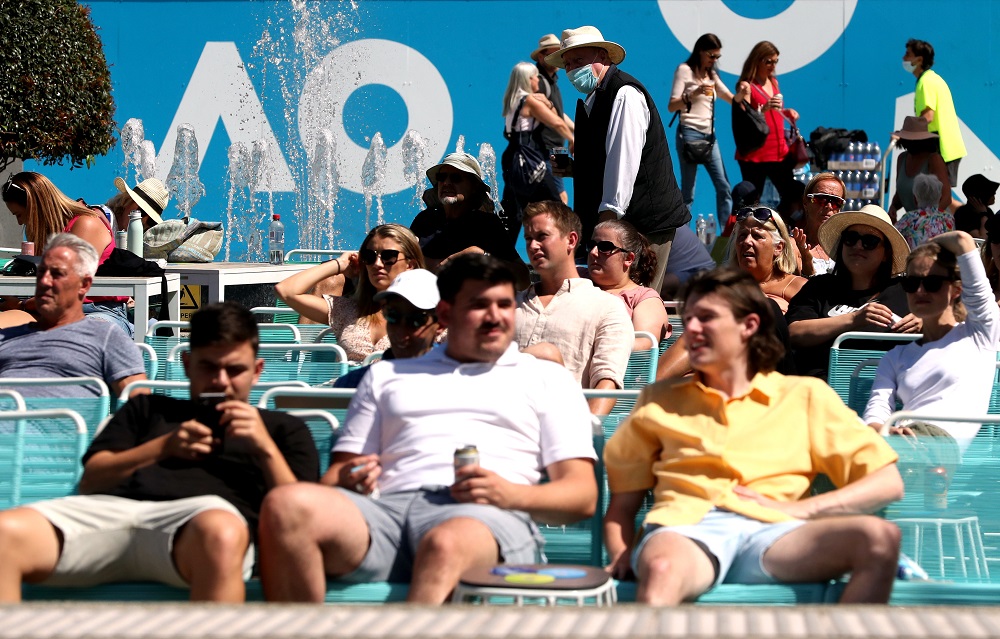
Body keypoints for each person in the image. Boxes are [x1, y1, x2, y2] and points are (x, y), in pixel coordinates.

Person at [258, 254, 598, 604]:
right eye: (480, 305)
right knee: (286, 506)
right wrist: (350, 478)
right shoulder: (386, 375)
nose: (495, 316)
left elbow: (582, 496)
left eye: (504, 304)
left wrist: (509, 495)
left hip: (482, 516)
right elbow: (336, 477)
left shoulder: (545, 378)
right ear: (446, 315)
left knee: (444, 542)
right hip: (385, 514)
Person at [603, 267, 903, 605]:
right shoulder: (658, 400)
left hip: (776, 532)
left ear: (749, 326)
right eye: (689, 320)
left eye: (707, 318)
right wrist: (620, 553)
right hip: (687, 527)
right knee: (661, 568)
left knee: (880, 539)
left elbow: (887, 482)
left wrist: (802, 510)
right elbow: (621, 507)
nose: (691, 331)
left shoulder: (804, 396)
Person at [0, 302, 319, 602]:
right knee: (4, 534)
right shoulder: (147, 409)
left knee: (220, 533)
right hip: (113, 514)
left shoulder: (282, 429)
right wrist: (162, 447)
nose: (221, 381)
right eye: (208, 367)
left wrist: (263, 448)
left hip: (199, 529)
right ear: (187, 365)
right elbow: (92, 481)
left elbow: (299, 518)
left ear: (257, 370)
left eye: (234, 370)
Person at [545, 26, 688, 293]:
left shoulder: (624, 94)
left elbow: (624, 163)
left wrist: (606, 230)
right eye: (567, 64)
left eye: (578, 60)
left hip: (640, 226)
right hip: (620, 226)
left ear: (603, 56)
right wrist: (577, 169)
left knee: (635, 305)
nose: (572, 70)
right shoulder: (595, 98)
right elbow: (609, 160)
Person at [864, 231, 1000, 451]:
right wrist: (887, 431)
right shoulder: (895, 357)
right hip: (901, 447)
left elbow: (963, 241)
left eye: (933, 282)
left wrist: (928, 245)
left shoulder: (979, 335)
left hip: (941, 452)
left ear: (957, 290)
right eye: (911, 283)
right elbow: (875, 415)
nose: (919, 291)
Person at [515, 200, 633, 416]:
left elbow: (607, 383)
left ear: (571, 240)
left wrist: (582, 435)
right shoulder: (509, 305)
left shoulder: (606, 307)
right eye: (528, 239)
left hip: (562, 428)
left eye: (542, 237)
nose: (532, 246)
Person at [0, 234, 145, 397]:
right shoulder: (8, 336)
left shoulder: (104, 337)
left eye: (57, 274)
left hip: (64, 420)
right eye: (41, 272)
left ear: (84, 285)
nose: (44, 281)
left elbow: (142, 407)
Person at [787, 205, 919, 379]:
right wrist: (855, 319)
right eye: (851, 238)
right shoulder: (820, 287)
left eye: (870, 241)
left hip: (888, 393)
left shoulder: (907, 291)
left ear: (886, 253)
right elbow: (793, 333)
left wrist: (925, 322)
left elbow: (952, 319)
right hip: (823, 393)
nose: (858, 246)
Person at [2, 172, 132, 335]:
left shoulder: (86, 224)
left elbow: (65, 289)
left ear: (34, 207)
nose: (20, 222)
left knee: (70, 338)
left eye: (19, 215)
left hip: (97, 312)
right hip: (50, 311)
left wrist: (21, 305)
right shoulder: (53, 233)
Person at [275, 224, 425, 364]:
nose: (377, 264)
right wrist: (339, 264)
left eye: (388, 256)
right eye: (369, 256)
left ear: (410, 265)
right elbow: (286, 291)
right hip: (344, 389)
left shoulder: (428, 315)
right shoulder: (347, 310)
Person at [409, 153, 528, 287]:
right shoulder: (424, 219)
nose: (446, 183)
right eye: (441, 177)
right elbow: (403, 265)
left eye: (456, 178)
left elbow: (523, 279)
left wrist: (484, 257)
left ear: (474, 187)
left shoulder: (487, 225)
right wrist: (451, 262)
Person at [668, 33, 747, 228]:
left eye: (717, 57)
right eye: (711, 56)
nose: (714, 60)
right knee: (688, 193)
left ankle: (727, 236)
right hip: (689, 133)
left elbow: (731, 98)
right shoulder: (685, 70)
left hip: (710, 137)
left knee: (724, 187)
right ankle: (684, 240)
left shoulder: (712, 76)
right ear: (701, 52)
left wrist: (743, 95)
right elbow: (672, 106)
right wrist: (693, 93)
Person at [333, 269, 442, 388]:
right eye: (392, 315)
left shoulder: (457, 382)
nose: (401, 330)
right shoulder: (353, 383)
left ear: (440, 324)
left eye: (416, 320)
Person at [500, 62, 574, 237]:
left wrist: (547, 104)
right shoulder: (530, 101)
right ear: (529, 79)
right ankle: (569, 250)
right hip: (528, 158)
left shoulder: (513, 99)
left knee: (513, 210)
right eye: (535, 77)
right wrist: (572, 139)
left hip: (511, 158)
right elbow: (556, 122)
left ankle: (500, 254)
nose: (537, 81)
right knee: (555, 206)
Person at [732, 42, 800, 213]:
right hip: (757, 155)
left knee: (790, 197)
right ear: (757, 60)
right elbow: (745, 116)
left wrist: (787, 111)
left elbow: (775, 112)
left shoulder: (774, 82)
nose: (773, 66)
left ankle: (781, 231)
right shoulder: (747, 85)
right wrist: (764, 107)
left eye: (775, 61)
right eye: (768, 61)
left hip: (779, 152)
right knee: (751, 201)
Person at [586, 219, 671, 349]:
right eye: (591, 245)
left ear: (628, 258)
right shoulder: (576, 279)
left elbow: (644, 344)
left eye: (605, 247)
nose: (593, 252)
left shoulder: (643, 298)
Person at [904, 39, 966, 194]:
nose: (904, 58)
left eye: (908, 54)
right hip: (944, 147)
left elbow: (928, 116)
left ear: (919, 59)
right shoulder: (929, 79)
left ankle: (971, 215)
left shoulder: (926, 82)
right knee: (937, 196)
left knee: (939, 197)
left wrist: (905, 134)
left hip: (942, 148)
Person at [728, 206, 806, 313]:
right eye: (742, 235)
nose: (747, 241)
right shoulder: (724, 287)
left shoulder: (798, 288)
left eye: (757, 236)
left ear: (778, 247)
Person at [532, 33, 573, 204]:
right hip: (543, 150)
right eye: (552, 53)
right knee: (559, 200)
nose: (556, 57)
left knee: (548, 201)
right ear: (541, 57)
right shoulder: (538, 81)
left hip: (554, 150)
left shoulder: (552, 82)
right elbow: (550, 116)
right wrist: (572, 137)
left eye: (559, 52)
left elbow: (558, 113)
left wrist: (575, 132)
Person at [887, 116, 951, 222]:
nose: (910, 143)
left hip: (938, 226)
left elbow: (946, 198)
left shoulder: (934, 159)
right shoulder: (902, 158)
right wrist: (893, 206)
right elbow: (901, 192)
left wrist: (927, 221)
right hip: (914, 226)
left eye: (914, 140)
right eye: (908, 139)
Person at [795, 172, 846, 276]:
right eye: (821, 199)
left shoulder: (846, 246)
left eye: (836, 201)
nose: (829, 206)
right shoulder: (792, 245)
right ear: (806, 202)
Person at [895, 174, 953, 250]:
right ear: (940, 197)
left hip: (915, 260)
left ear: (915, 198)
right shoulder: (948, 218)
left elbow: (892, 236)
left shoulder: (909, 217)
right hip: (941, 260)